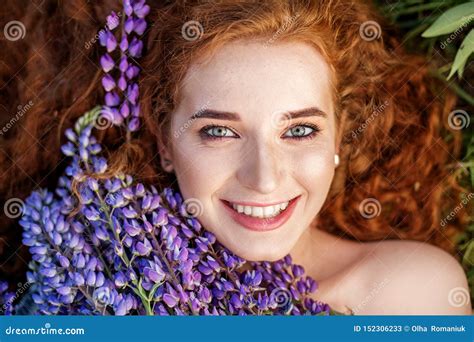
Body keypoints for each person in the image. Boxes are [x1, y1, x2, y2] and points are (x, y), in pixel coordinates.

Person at [0, 0, 471, 314]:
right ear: (165, 143)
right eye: (219, 132)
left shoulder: (408, 290)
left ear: (340, 138)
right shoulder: (84, 283)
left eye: (300, 130)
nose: (264, 178)